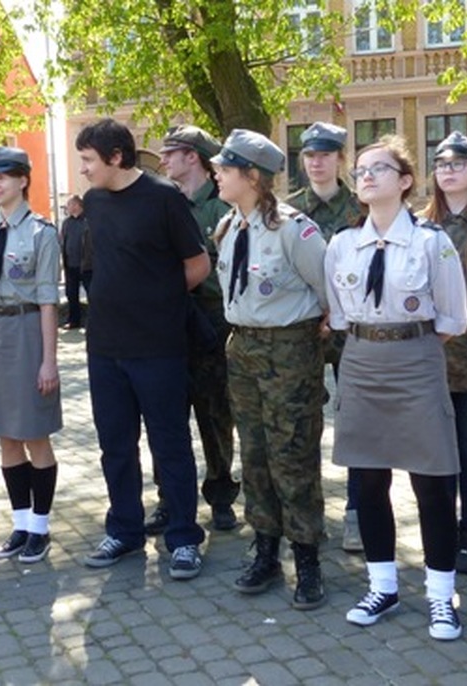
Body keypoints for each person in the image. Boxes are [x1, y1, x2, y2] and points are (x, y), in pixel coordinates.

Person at [325, 135, 467, 640]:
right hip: (361, 361)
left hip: (416, 361)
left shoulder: (431, 241)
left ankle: (440, 595)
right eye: (360, 170)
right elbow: (338, 315)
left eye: (379, 168)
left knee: (432, 483)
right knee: (368, 481)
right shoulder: (342, 245)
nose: (366, 176)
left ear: (405, 181)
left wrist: (408, 344)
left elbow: (453, 316)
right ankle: (382, 587)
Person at [75, 118, 210, 580]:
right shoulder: (94, 202)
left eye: (88, 160)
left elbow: (198, 264)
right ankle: (125, 530)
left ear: (116, 157)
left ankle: (184, 538)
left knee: (170, 445)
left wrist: (158, 300)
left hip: (158, 348)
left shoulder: (164, 198)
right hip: (104, 347)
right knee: (115, 446)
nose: (83, 169)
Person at [211, 129, 328, 608]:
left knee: (292, 454)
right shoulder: (227, 227)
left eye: (225, 168)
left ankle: (308, 558)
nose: (217, 175)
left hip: (289, 349)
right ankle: (265, 550)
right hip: (242, 347)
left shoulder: (294, 230)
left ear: (253, 176)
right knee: (255, 454)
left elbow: (328, 293)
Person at [0, 146, 62, 563]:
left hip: (26, 332)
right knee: (6, 435)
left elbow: (48, 300)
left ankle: (40, 527)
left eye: (2, 177)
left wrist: (49, 360)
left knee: (34, 434)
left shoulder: (42, 233)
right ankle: (20, 525)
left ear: (23, 180)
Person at [285, 122, 367, 553]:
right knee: (301, 424)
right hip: (305, 331)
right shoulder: (288, 211)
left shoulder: (362, 207)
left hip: (353, 333)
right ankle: (305, 515)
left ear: (340, 159)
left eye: (325, 155)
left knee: (355, 424)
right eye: (310, 155)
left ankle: (357, 513)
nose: (316, 162)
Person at [155, 123, 239, 533]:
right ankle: (168, 499)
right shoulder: (162, 203)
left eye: (171, 153)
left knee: (215, 412)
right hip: (170, 318)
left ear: (193, 157)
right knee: (166, 414)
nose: (163, 160)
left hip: (213, 318)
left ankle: (221, 493)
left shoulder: (224, 208)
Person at [420, 131, 467, 574]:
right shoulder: (420, 224)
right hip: (430, 357)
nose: (448, 171)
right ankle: (441, 528)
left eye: (457, 164)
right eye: (441, 164)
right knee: (435, 450)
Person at [59, 195, 91, 330]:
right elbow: (62, 241)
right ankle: (74, 321)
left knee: (92, 295)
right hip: (70, 265)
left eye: (69, 204)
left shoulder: (89, 221)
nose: (67, 207)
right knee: (71, 295)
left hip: (87, 266)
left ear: (77, 205)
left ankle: (94, 322)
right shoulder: (67, 223)